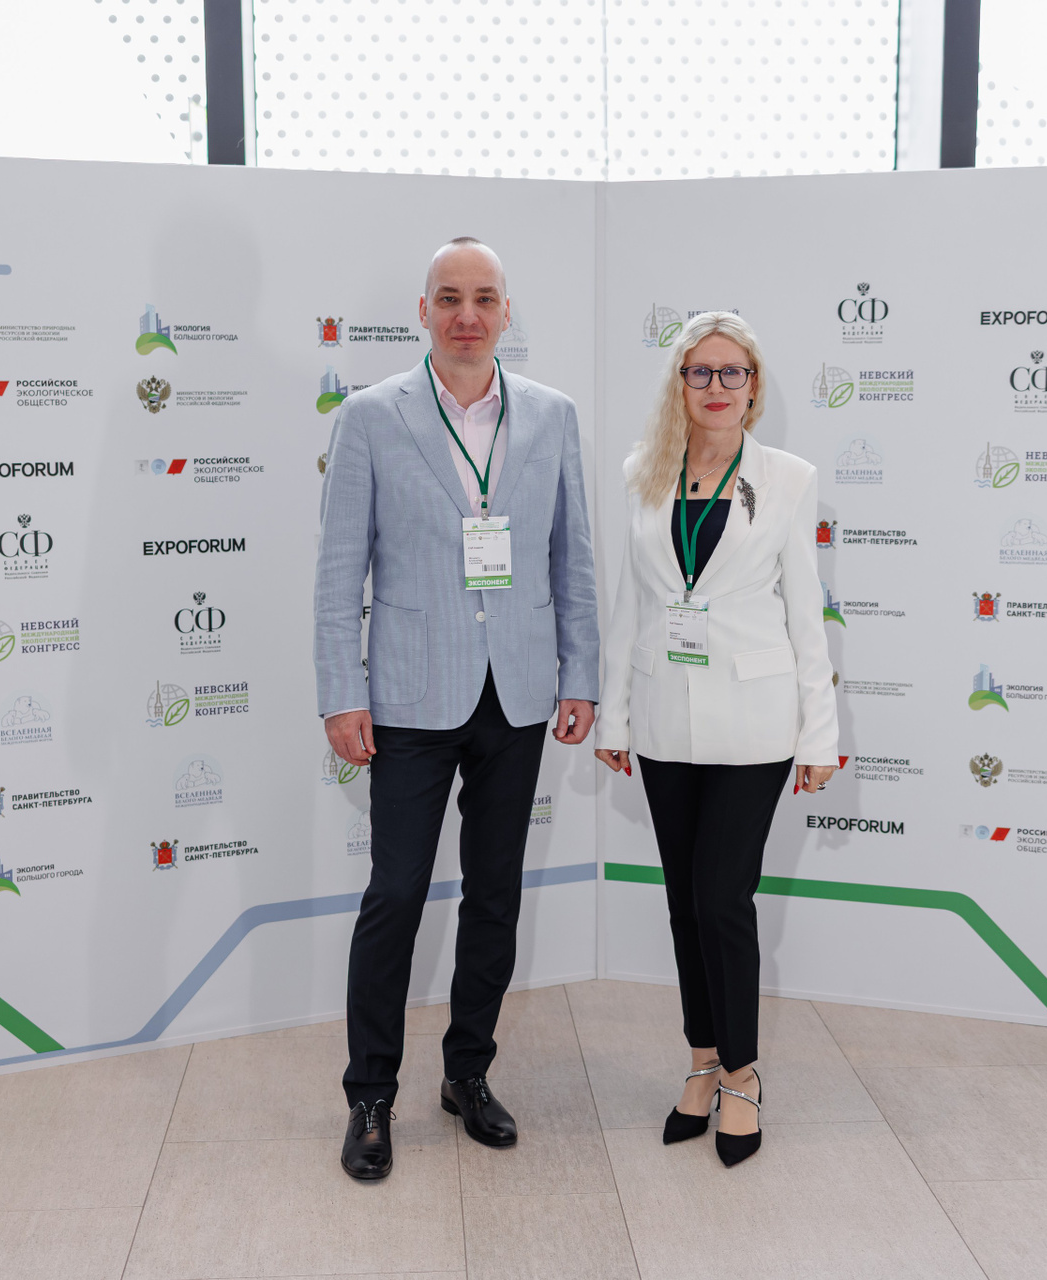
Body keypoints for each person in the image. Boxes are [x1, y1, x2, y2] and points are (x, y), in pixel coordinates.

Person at [314, 237, 599, 1181]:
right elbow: (337, 573)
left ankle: (467, 1073)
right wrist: (341, 693)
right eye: (449, 298)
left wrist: (580, 674)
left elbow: (573, 559)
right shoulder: (370, 416)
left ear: (506, 312)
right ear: (423, 311)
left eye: (483, 298)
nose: (466, 315)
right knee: (395, 894)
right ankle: (369, 1095)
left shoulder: (553, 415)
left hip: (515, 694)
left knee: (495, 895)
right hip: (407, 694)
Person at [593, 311, 838, 1167]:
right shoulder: (643, 473)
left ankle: (742, 1073)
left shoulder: (788, 479)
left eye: (733, 372)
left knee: (722, 900)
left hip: (755, 725)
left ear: (754, 385)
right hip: (665, 719)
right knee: (682, 899)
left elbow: (806, 614)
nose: (717, 387)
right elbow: (631, 604)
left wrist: (820, 737)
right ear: (680, 384)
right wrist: (615, 715)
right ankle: (700, 1061)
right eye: (700, 372)